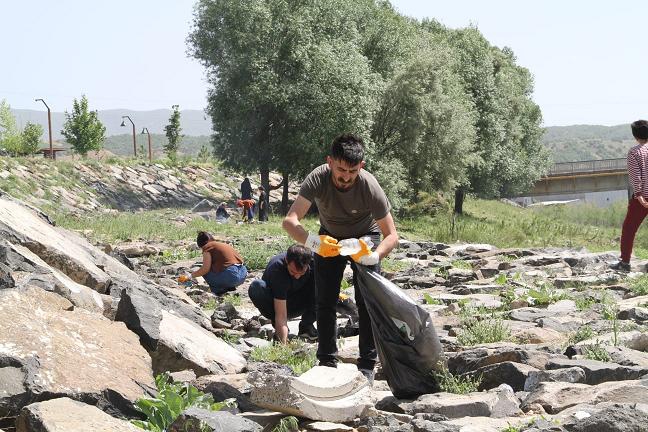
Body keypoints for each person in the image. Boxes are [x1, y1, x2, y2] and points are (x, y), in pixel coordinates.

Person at [282, 133, 399, 384]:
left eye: (352, 171)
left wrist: (373, 256)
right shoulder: (317, 178)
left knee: (366, 301)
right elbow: (290, 221)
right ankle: (326, 361)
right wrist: (314, 243)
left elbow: (392, 235)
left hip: (365, 238)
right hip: (330, 239)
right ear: (329, 162)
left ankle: (367, 365)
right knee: (324, 300)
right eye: (340, 170)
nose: (345, 177)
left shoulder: (370, 186)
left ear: (362, 166)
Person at [248, 244, 317, 343]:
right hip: (276, 304)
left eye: (301, 273)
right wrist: (283, 344)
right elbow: (281, 314)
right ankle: (279, 329)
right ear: (286, 261)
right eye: (293, 272)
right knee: (256, 287)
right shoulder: (277, 269)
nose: (297, 277)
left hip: (299, 301)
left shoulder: (314, 261)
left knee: (325, 287)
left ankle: (307, 326)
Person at [612, 120, 648, 271]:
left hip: (642, 199)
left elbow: (636, 175)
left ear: (635, 135)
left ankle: (625, 263)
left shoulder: (634, 152)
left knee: (629, 229)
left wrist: (638, 194)